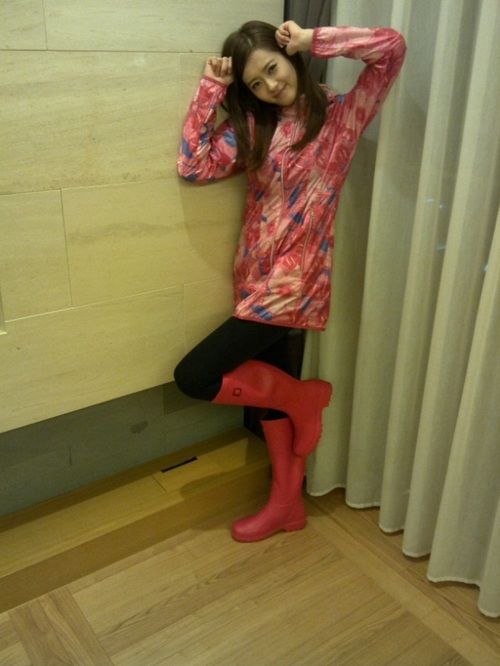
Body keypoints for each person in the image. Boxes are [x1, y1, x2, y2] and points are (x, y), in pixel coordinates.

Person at [175, 20, 406, 542]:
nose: (270, 86)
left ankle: (304, 400)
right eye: (255, 84)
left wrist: (312, 39)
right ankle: (286, 505)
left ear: (290, 57)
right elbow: (193, 166)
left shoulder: (343, 116)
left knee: (194, 376)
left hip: (295, 283)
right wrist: (212, 89)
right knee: (269, 393)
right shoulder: (254, 128)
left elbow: (391, 48)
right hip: (252, 276)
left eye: (273, 69)